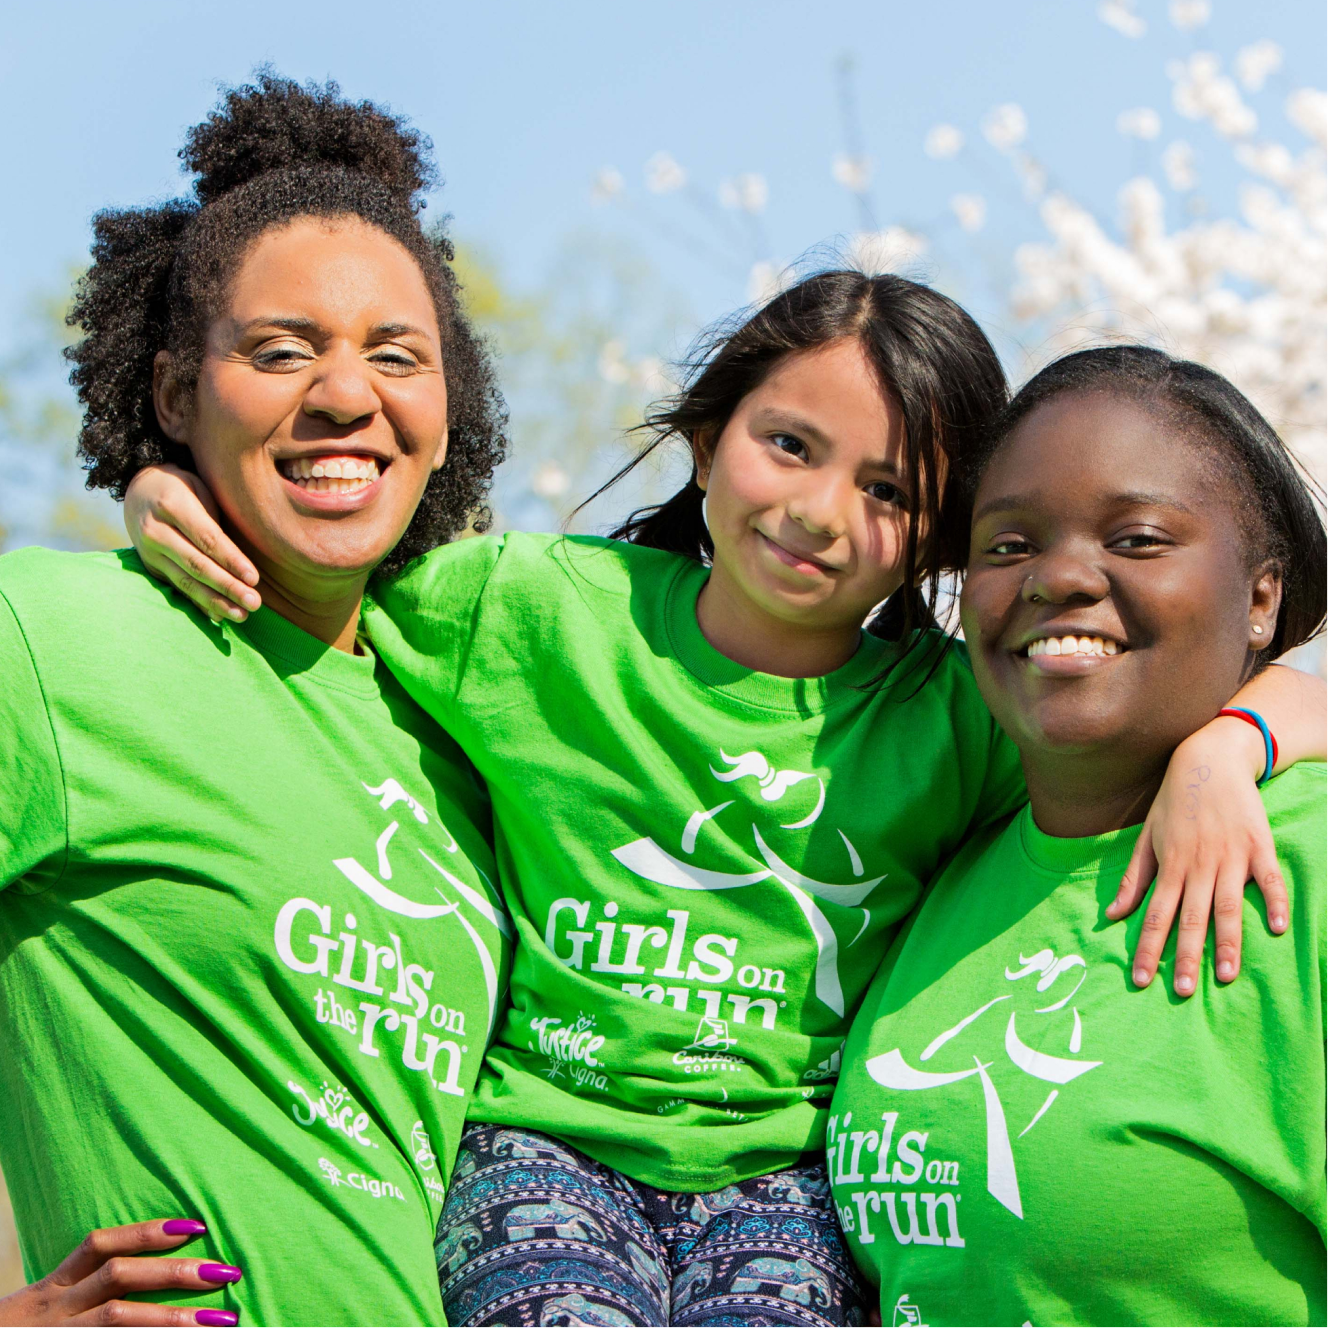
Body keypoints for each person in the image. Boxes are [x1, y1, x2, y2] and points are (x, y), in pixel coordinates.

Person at [125, 276, 1327, 1328]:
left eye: (886, 491)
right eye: (788, 446)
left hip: (785, 1184)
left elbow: (1189, 679)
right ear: (708, 437)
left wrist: (1232, 739)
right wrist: (168, 494)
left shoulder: (953, 714)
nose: (815, 512)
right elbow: (309, 549)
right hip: (546, 1143)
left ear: (932, 550)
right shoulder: (528, 609)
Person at [0, 75, 509, 1327]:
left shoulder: (466, 726)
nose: (346, 396)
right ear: (174, 394)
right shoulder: (55, 640)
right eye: (280, 351)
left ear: (452, 411)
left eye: (398, 355)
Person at [828, 346, 1328, 1325]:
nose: (1057, 576)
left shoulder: (1303, 872)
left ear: (1260, 596)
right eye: (1005, 545)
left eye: (1135, 537)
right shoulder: (942, 873)